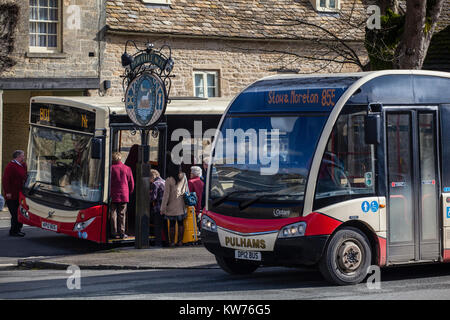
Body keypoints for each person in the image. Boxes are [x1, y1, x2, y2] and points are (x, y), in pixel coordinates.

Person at [160, 161, 188, 247]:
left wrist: (162, 209)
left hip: (171, 206)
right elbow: (186, 190)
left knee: (172, 224)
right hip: (181, 205)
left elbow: (166, 196)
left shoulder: (169, 180)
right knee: (180, 223)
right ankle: (180, 242)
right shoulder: (184, 177)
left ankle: (172, 242)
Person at [2, 150, 28, 237]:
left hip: (20, 194)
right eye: (22, 156)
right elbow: (5, 180)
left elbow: (25, 176)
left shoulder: (22, 165)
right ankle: (13, 231)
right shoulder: (10, 166)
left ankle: (18, 229)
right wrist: (8, 192)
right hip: (12, 194)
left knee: (20, 212)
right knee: (14, 213)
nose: (24, 157)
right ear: (18, 156)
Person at [109, 152, 134, 239]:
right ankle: (122, 232)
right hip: (124, 195)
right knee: (122, 214)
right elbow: (131, 183)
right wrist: (129, 192)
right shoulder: (127, 168)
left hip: (113, 195)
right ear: (120, 159)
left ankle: (114, 232)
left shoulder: (111, 168)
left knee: (113, 214)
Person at [149, 169, 166, 247]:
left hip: (158, 208)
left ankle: (158, 243)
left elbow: (153, 197)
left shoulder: (155, 184)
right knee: (165, 226)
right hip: (166, 208)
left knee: (158, 227)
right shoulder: (165, 182)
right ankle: (167, 242)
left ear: (152, 176)